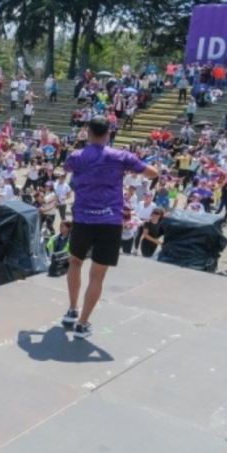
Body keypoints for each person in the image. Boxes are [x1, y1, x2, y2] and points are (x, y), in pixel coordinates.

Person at [61, 117, 159, 339]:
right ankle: (83, 324)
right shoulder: (120, 156)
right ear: (108, 134)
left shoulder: (77, 156)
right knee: (97, 275)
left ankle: (72, 309)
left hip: (83, 219)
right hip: (109, 221)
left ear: (88, 133)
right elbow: (152, 173)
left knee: (75, 263)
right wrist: (132, 168)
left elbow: (67, 166)